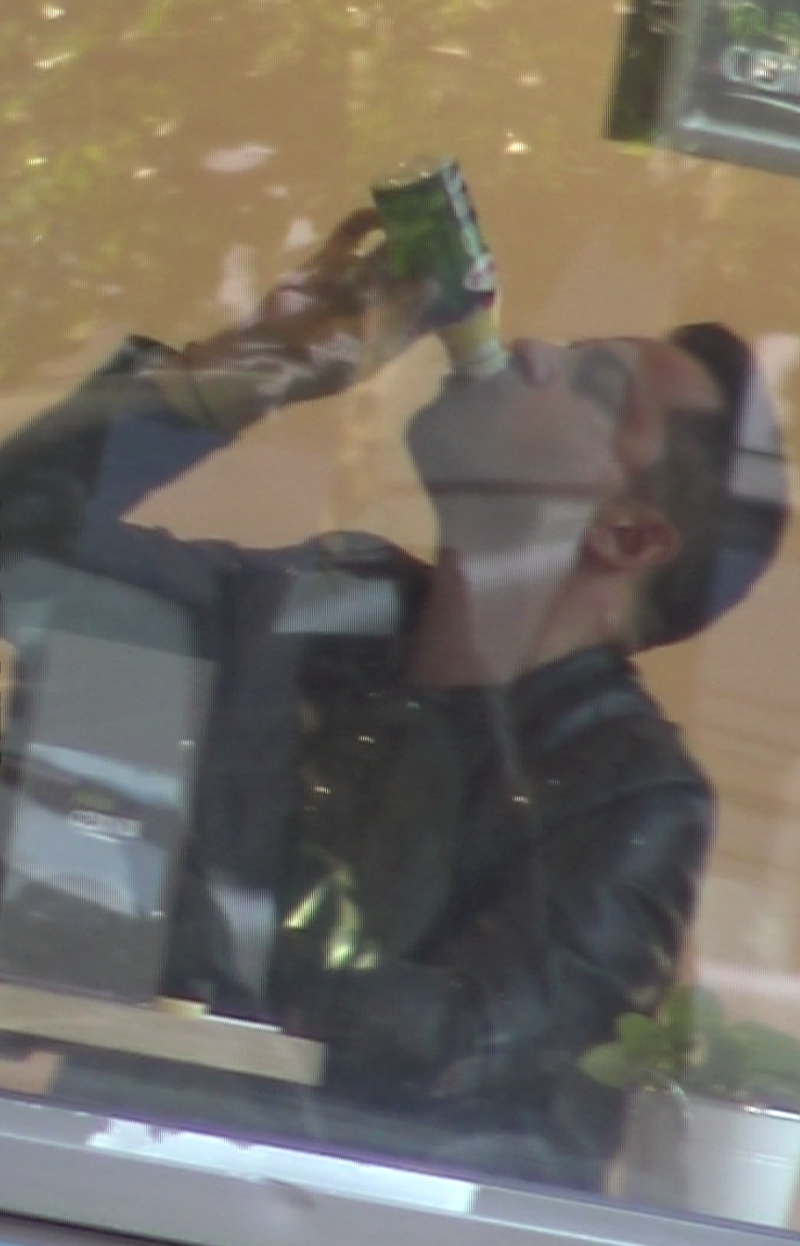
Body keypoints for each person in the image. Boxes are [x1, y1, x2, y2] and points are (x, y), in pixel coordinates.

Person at [0, 210, 789, 1190]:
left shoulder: (626, 790)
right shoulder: (328, 604)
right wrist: (241, 371)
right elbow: (19, 551)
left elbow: (458, 1051)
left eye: (592, 385)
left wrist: (176, 938)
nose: (529, 351)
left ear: (627, 537)